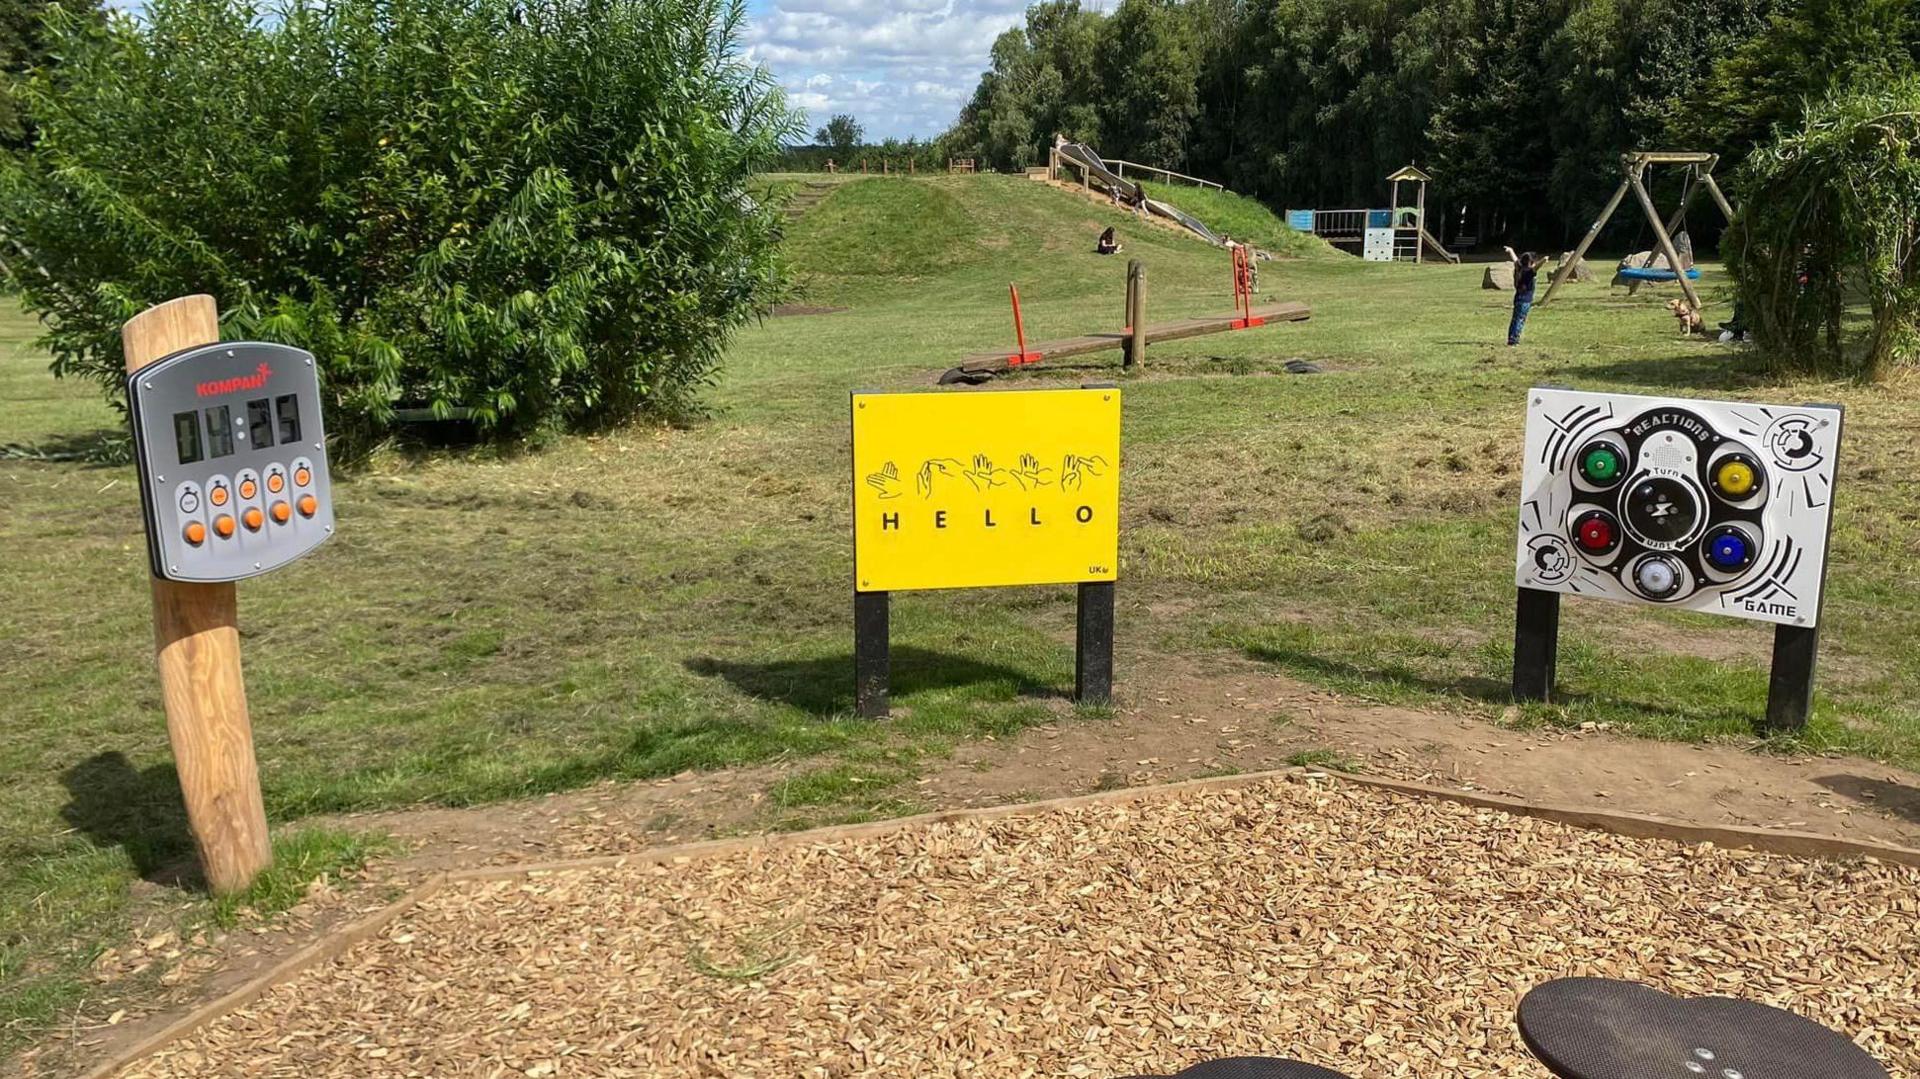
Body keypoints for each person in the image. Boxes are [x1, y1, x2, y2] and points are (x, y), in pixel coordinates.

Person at [1502, 246, 1548, 346]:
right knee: (1520, 320)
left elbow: (1514, 259)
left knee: (1515, 319)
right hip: (1525, 301)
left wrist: (1511, 251)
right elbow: (1537, 267)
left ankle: (1511, 338)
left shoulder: (1519, 268)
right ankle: (1514, 340)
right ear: (1530, 263)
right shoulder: (1529, 272)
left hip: (1518, 299)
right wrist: (1543, 260)